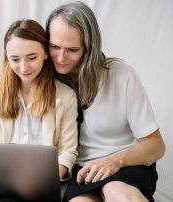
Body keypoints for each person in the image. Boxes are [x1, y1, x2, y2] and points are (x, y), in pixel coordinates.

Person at [45, 1, 165, 202]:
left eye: (72, 49)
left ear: (89, 48)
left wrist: (115, 161)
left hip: (126, 164)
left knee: (116, 191)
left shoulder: (121, 75)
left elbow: (156, 145)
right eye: (54, 46)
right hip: (80, 171)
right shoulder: (45, 80)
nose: (60, 57)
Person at [0, 19, 78, 202]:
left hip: (41, 188)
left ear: (45, 53)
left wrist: (45, 180)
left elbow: (67, 152)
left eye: (31, 58)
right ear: (6, 57)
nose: (23, 67)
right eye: (15, 59)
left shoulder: (65, 95)